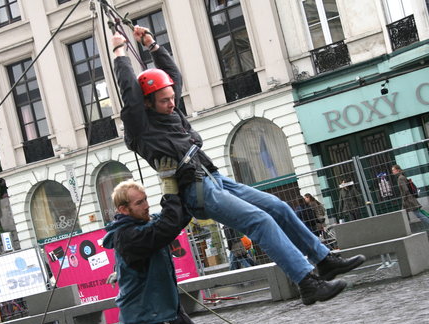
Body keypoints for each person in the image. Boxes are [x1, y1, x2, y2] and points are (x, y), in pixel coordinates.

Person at [111, 26, 366, 306]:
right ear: (147, 103)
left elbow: (175, 78)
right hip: (195, 189)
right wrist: (120, 52)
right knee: (260, 221)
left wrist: (153, 46)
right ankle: (307, 282)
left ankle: (324, 260)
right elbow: (129, 92)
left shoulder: (169, 110)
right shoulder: (141, 126)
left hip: (213, 178)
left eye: (172, 98)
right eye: (165, 100)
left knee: (277, 207)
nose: (173, 103)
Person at [102, 169, 191, 324]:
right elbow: (165, 228)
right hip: (144, 319)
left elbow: (174, 220)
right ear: (123, 209)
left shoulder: (144, 224)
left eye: (145, 199)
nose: (146, 205)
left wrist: (182, 183)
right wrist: (169, 190)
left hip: (151, 315)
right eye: (139, 203)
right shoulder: (129, 235)